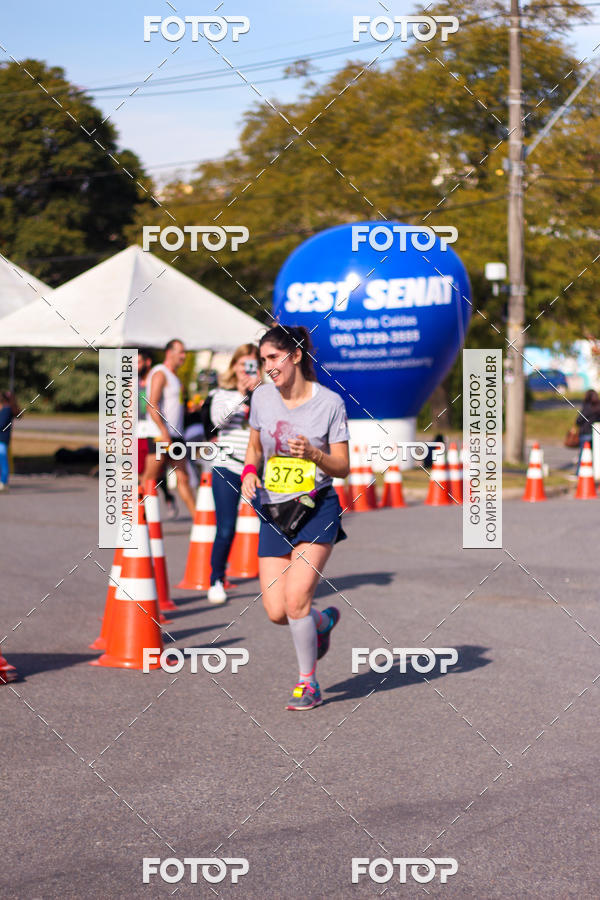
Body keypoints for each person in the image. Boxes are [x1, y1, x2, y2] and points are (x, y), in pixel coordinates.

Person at [241, 325, 350, 711]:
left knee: (296, 599)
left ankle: (308, 683)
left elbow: (343, 466)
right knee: (276, 610)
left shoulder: (330, 404)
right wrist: (249, 472)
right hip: (273, 508)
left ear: (296, 355)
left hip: (315, 506)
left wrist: (315, 455)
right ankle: (321, 624)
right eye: (263, 360)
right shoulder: (261, 399)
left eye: (273, 358)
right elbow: (254, 448)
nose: (267, 367)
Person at [207, 344, 262, 605]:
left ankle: (278, 577)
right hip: (227, 465)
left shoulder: (266, 394)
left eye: (253, 365)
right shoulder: (222, 393)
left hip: (258, 469)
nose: (247, 371)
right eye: (243, 365)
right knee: (227, 527)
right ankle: (217, 578)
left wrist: (261, 389)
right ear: (234, 367)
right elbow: (217, 420)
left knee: (273, 524)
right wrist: (241, 394)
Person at [141, 339, 196, 518]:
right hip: (160, 435)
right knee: (150, 477)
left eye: (184, 352)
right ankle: (136, 515)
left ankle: (199, 519)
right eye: (180, 352)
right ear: (169, 352)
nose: (183, 356)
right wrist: (164, 432)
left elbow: (174, 406)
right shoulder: (160, 373)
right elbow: (151, 404)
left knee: (183, 477)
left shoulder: (175, 377)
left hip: (175, 435)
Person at [137, 349, 178, 519]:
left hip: (154, 431)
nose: (135, 366)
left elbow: (154, 405)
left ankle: (144, 508)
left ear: (147, 362)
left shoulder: (155, 377)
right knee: (144, 472)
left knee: (154, 471)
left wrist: (163, 429)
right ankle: (140, 512)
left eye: (138, 362)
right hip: (139, 432)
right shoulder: (134, 382)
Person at [0, 390, 20, 491]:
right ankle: (3, 482)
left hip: (2, 439)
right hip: (4, 439)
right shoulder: (6, 409)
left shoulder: (6, 409)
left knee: (3, 461)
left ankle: (3, 482)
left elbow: (1, 424)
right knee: (2, 461)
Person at [575, 389, 600, 467]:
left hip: (585, 433)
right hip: (596, 434)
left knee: (583, 454)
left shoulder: (587, 407)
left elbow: (579, 420)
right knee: (595, 454)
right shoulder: (598, 407)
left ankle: (579, 472)